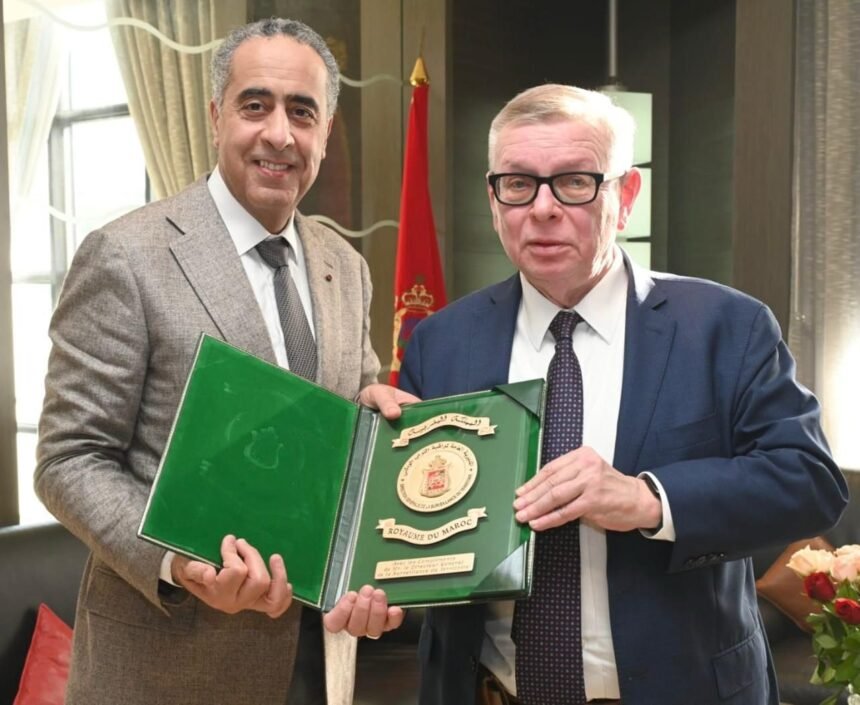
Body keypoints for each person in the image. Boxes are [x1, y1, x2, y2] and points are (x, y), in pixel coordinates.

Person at [397, 84, 848, 705]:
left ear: (626, 195)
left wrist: (648, 499)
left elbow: (809, 483)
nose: (543, 208)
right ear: (493, 198)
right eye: (519, 183)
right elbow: (418, 527)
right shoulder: (441, 342)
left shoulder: (725, 327)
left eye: (574, 182)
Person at [35, 17, 407, 705]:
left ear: (326, 131)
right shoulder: (126, 256)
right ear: (215, 117)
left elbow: (344, 419)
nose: (279, 134)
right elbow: (68, 458)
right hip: (167, 669)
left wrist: (375, 417)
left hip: (320, 659)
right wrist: (177, 562)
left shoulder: (345, 266)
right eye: (255, 105)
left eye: (302, 112)